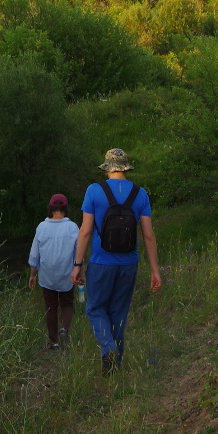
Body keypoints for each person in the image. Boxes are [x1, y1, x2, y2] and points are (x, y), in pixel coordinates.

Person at [70, 149, 161, 374]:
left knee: (95, 309)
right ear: (125, 168)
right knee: (118, 312)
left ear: (107, 168)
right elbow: (148, 235)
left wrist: (77, 264)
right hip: (129, 263)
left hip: (101, 262)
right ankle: (115, 366)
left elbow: (85, 231)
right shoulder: (140, 194)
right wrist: (155, 270)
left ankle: (108, 348)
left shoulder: (94, 191)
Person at [27, 194, 80, 349]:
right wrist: (79, 272)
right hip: (66, 273)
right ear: (65, 208)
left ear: (51, 208)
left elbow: (34, 254)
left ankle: (53, 342)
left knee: (51, 307)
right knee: (67, 303)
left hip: (47, 275)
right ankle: (64, 328)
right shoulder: (72, 227)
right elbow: (78, 254)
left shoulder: (42, 227)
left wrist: (32, 275)